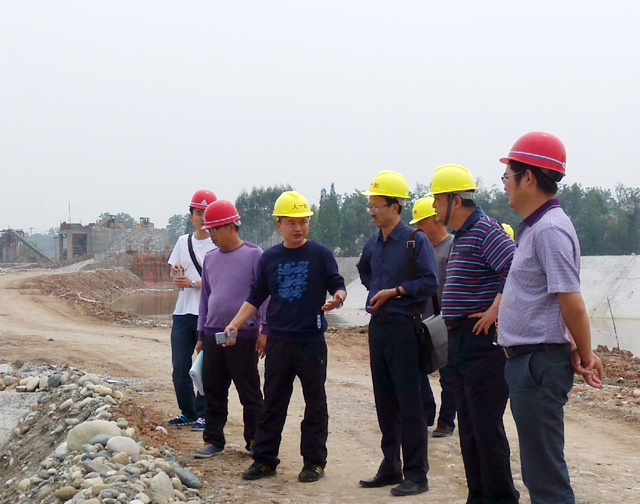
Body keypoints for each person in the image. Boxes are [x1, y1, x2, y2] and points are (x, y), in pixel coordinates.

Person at [498, 131, 604, 504]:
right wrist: (574, 344)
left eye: (508, 176)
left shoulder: (550, 230)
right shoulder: (536, 227)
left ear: (528, 177)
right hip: (529, 361)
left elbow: (571, 302)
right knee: (537, 470)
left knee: (545, 476)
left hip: (537, 365)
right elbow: (550, 301)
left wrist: (584, 353)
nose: (505, 185)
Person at [225, 190, 347, 483]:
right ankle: (265, 460)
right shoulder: (270, 258)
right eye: (291, 222)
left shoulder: (320, 254)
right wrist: (235, 324)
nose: (298, 228)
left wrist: (338, 299)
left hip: (311, 341)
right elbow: (256, 297)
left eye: (303, 221)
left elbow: (337, 284)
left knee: (315, 403)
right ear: (278, 225)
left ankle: (314, 462)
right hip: (279, 341)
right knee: (273, 403)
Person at [429, 164, 520, 504]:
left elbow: (516, 268)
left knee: (485, 427)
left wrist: (497, 306)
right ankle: (478, 496)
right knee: (468, 426)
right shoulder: (463, 235)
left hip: (483, 342)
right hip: (460, 341)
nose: (434, 208)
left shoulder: (484, 230)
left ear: (455, 200)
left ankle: (502, 498)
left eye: (438, 200)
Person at [357, 171, 438, 497]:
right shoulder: (373, 244)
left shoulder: (415, 241)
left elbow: (430, 281)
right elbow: (364, 270)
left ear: (395, 207)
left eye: (377, 206)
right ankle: (390, 465)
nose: (372, 212)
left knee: (409, 403)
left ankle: (416, 473)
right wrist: (377, 290)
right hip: (379, 328)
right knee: (385, 400)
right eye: (371, 206)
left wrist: (397, 291)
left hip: (406, 328)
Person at [193, 200, 266, 458]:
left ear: (230, 227)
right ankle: (213, 439)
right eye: (209, 230)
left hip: (244, 335)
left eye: (214, 230)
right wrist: (201, 335)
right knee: (214, 390)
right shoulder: (210, 259)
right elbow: (206, 299)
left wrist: (264, 330)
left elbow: (264, 296)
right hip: (214, 333)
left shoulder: (255, 255)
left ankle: (255, 440)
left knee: (249, 391)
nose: (211, 235)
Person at [167, 189, 217, 430]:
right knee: (180, 366)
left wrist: (194, 284)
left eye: (207, 213)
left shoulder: (218, 245)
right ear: (191, 217)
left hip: (207, 314)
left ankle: (204, 413)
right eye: (199, 213)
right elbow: (174, 276)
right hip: (183, 313)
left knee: (206, 366)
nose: (203, 217)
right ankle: (187, 411)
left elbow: (221, 283)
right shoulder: (182, 242)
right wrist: (175, 275)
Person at [410, 196, 457, 438]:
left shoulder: (453, 248)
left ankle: (446, 420)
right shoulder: (419, 250)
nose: (417, 229)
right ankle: (426, 413)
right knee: (418, 370)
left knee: (449, 375)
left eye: (421, 223)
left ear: (435, 220)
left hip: (447, 322)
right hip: (421, 321)